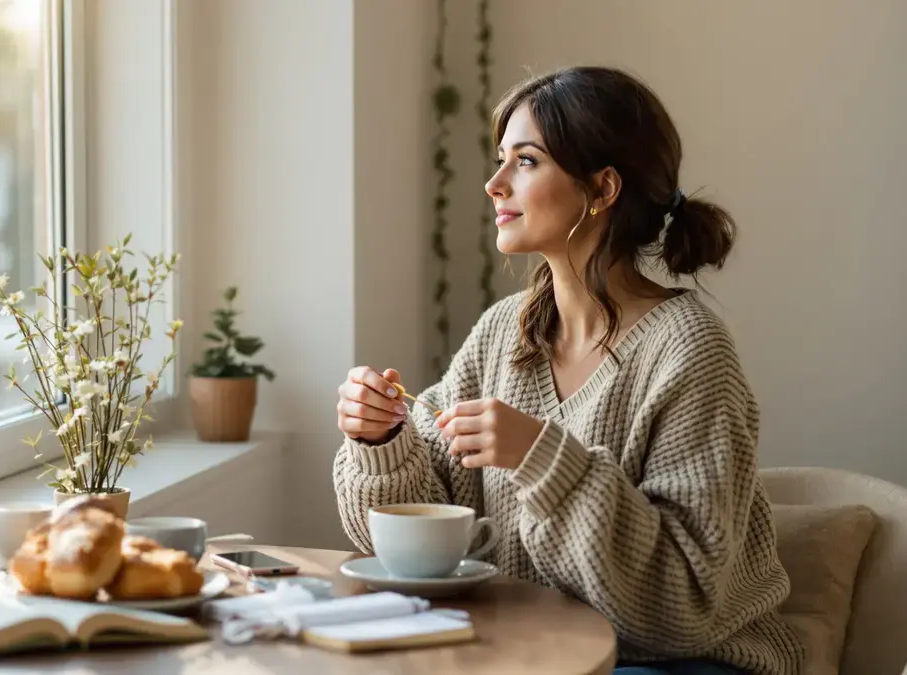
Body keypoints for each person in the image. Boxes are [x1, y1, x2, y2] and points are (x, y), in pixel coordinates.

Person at [332, 66, 803, 675]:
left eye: (525, 161)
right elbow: (426, 543)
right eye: (500, 160)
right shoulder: (503, 334)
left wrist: (542, 458)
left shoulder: (690, 350)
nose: (494, 184)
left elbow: (682, 606)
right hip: (533, 652)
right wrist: (382, 441)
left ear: (603, 189)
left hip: (677, 664)